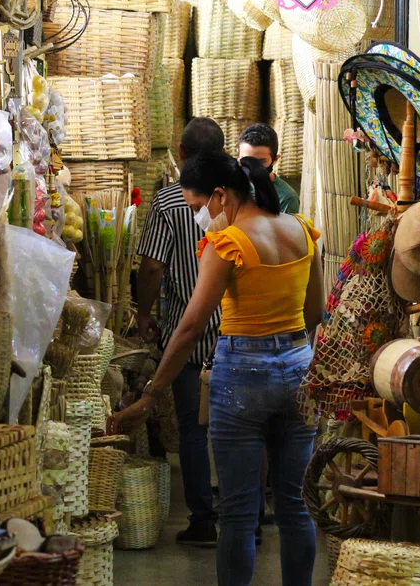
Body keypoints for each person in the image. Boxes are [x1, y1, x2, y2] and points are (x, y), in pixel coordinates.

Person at [112, 153, 324, 586]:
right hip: (300, 368)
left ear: (221, 196)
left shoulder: (227, 243)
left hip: (243, 375)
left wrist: (152, 393)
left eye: (195, 207)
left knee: (240, 512)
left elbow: (190, 327)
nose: (197, 217)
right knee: (294, 505)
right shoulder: (303, 232)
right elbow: (315, 311)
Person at [134, 117, 226, 547]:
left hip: (188, 335)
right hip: (238, 335)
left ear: (182, 153)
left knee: (193, 427)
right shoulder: (239, 200)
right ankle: (245, 516)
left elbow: (152, 265)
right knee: (237, 426)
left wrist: (144, 312)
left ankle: (204, 520)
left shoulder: (171, 201)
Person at [237, 123, 300, 215]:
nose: (252, 166)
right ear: (238, 155)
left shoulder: (287, 197)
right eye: (246, 160)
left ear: (275, 159)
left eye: (261, 162)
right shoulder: (229, 186)